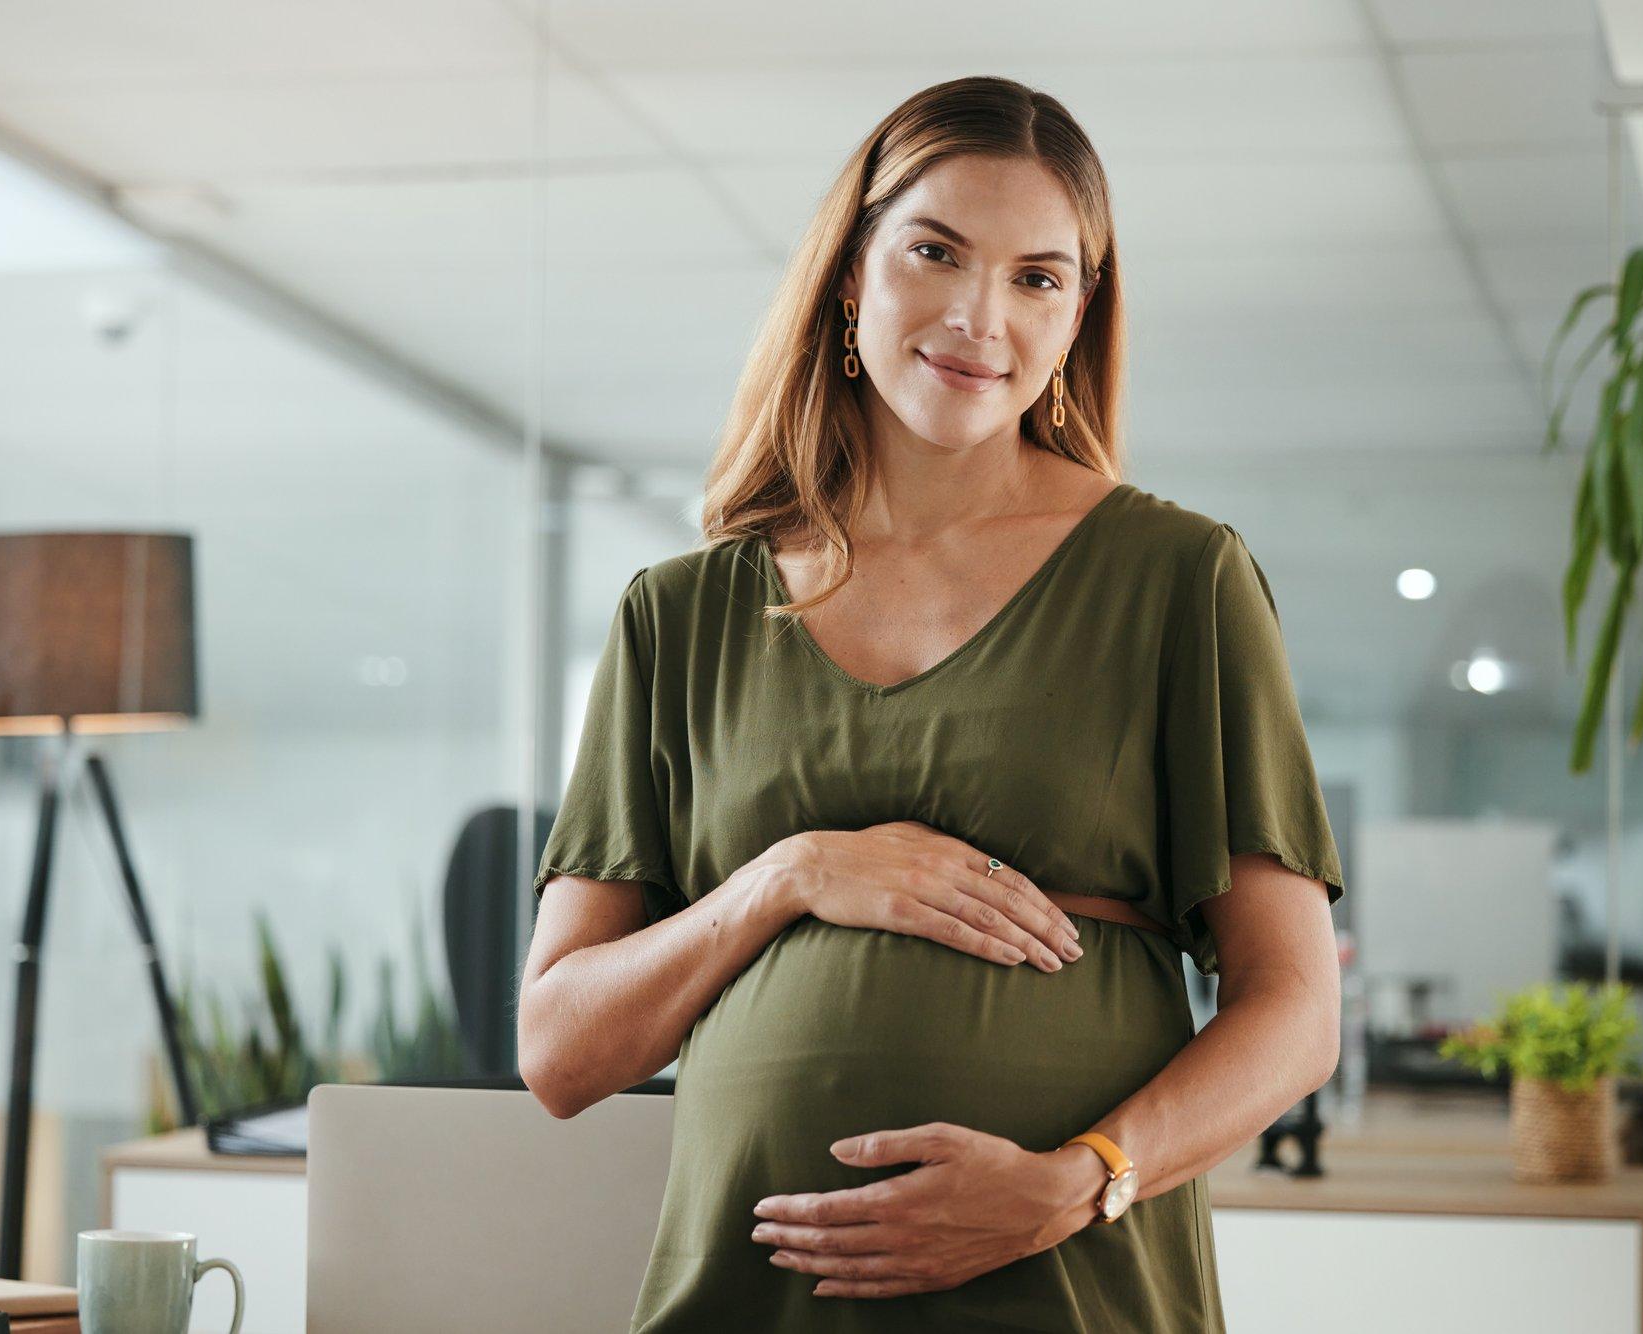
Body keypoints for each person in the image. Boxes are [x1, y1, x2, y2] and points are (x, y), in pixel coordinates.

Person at [518, 74, 1347, 1332]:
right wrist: (787, 875)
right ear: (852, 271)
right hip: (748, 1303)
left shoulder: (1179, 578)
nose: (978, 314)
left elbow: (1293, 1008)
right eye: (935, 251)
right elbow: (562, 1053)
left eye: (1038, 276)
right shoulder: (677, 614)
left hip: (1067, 1285)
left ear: (1078, 316)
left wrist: (1078, 1182)